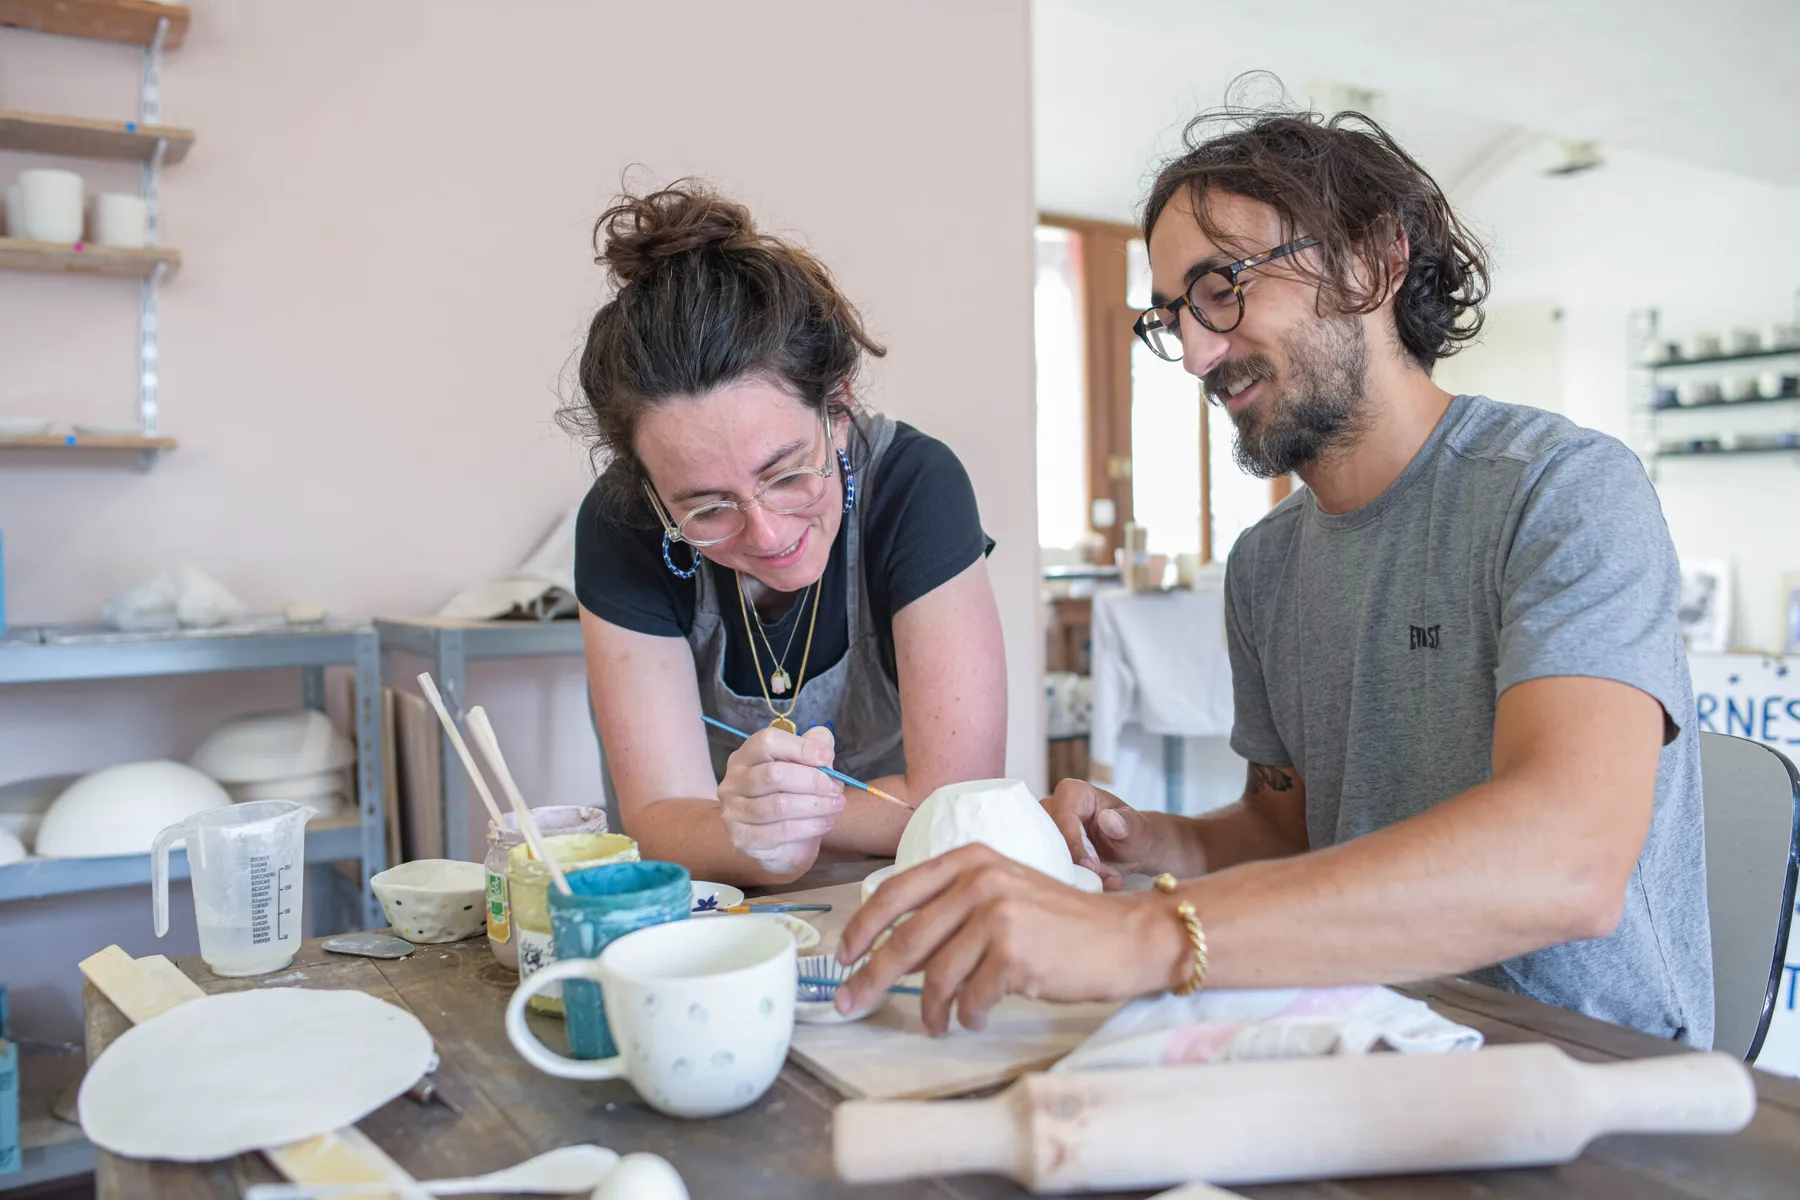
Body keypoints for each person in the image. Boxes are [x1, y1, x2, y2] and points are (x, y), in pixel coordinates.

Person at [836, 104, 1714, 1047]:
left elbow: (1568, 861)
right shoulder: (1267, 564)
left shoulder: (1562, 490)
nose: (1200, 354)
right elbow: (1291, 827)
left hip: (1581, 1065)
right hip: (1360, 1028)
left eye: (1221, 288)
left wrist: (1142, 933)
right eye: (1173, 318)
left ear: (1374, 263)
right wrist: (1149, 843)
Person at [566, 182, 1007, 887]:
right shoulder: (623, 525)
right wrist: (766, 831)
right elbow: (655, 819)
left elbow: (960, 806)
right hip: (710, 902)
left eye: (786, 474)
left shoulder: (916, 489)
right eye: (707, 507)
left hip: (901, 888)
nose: (766, 533)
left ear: (836, 410)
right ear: (651, 490)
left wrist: (765, 818)